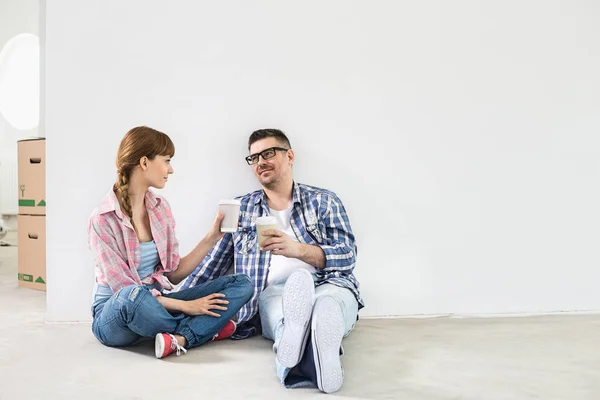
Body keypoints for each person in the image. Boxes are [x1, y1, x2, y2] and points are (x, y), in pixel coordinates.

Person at [182, 128, 363, 392]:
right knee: (283, 315)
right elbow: (211, 267)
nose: (260, 162)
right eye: (253, 158)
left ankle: (307, 342)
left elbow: (348, 256)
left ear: (289, 156)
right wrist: (177, 301)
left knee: (329, 303)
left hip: (329, 282)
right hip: (274, 292)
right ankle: (316, 352)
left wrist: (297, 249)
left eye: (268, 153)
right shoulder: (240, 209)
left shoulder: (324, 201)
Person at [88, 126, 253, 359]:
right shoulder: (102, 219)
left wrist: (212, 237)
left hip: (158, 304)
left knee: (242, 283)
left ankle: (179, 338)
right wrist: (188, 307)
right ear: (144, 162)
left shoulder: (160, 208)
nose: (171, 169)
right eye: (166, 160)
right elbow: (123, 290)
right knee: (133, 298)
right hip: (116, 314)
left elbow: (173, 274)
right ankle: (203, 329)